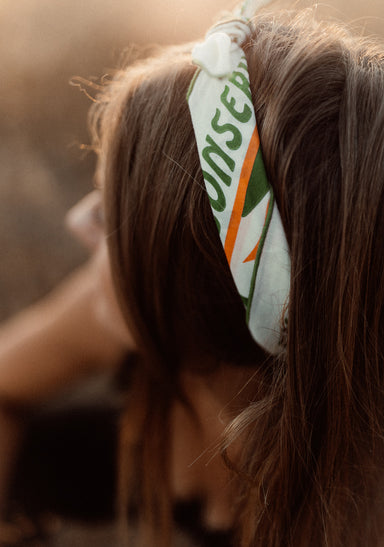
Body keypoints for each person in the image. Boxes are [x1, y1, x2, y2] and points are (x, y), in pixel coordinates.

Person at [2, 4, 384, 547]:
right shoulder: (115, 314)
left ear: (195, 297)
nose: (76, 223)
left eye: (110, 218)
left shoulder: (349, 517)